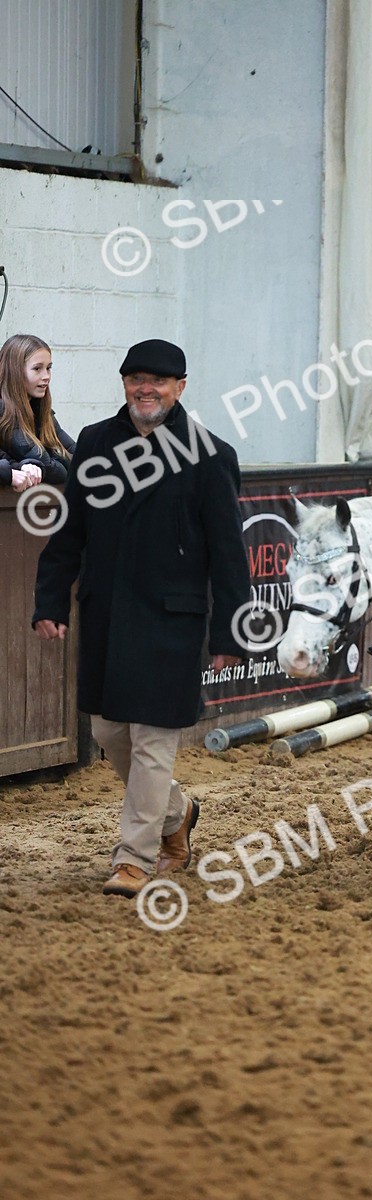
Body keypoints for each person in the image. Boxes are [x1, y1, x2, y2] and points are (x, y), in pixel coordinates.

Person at [32, 339, 251, 898]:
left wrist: (230, 631)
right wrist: (50, 600)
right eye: (135, 379)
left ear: (180, 387)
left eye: (157, 380)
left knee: (153, 740)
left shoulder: (211, 455)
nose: (145, 389)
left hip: (173, 622)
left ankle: (133, 858)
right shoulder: (95, 442)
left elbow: (230, 555)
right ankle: (177, 814)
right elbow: (71, 530)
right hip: (107, 616)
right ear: (125, 384)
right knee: (109, 732)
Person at [0, 334, 75, 484]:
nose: (46, 376)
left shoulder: (39, 408)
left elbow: (77, 456)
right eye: (37, 368)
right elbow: (56, 472)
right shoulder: (4, 409)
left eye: (48, 368)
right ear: (15, 371)